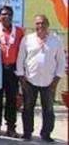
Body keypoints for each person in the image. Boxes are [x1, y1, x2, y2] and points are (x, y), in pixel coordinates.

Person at [16, 14, 66, 142]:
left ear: (47, 25)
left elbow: (61, 61)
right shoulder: (27, 39)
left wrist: (56, 80)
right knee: (27, 108)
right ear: (35, 25)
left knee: (48, 109)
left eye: (43, 23)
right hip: (30, 80)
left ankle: (46, 134)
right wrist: (22, 78)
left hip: (49, 81)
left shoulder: (56, 40)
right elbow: (20, 58)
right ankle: (27, 133)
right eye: (37, 23)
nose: (40, 26)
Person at [0, 5, 24, 138]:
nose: (6, 16)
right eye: (4, 14)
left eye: (9, 14)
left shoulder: (19, 31)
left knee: (11, 99)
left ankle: (11, 127)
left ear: (12, 16)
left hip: (12, 70)